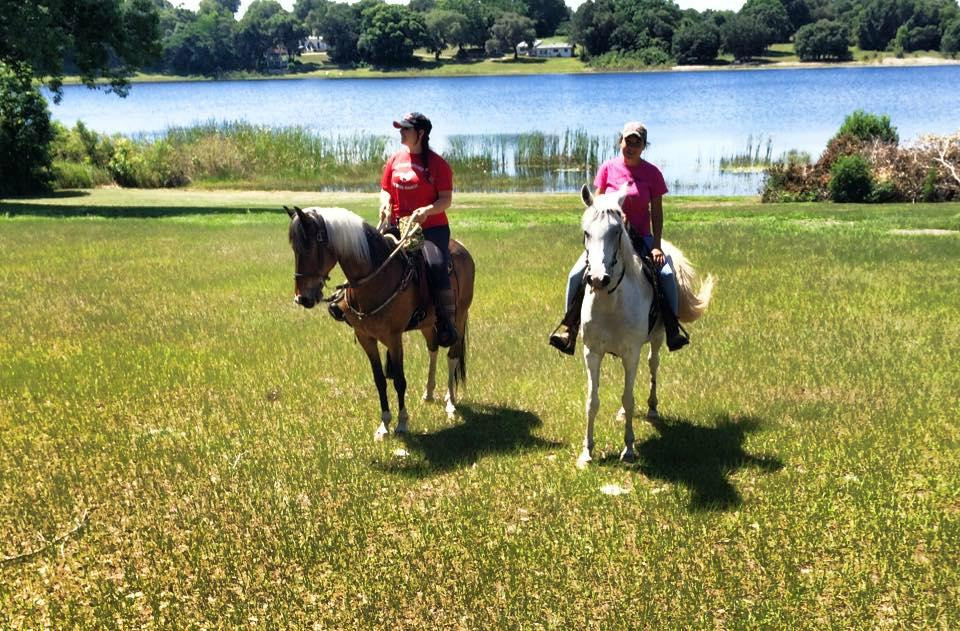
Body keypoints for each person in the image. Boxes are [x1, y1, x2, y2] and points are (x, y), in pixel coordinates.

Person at [549, 121, 689, 355]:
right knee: (575, 274)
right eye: (628, 141)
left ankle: (672, 329)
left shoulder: (652, 174)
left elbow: (657, 212)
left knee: (665, 273)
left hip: (641, 238)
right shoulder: (607, 169)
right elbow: (598, 206)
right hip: (610, 238)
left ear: (644, 146)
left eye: (637, 142)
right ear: (620, 142)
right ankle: (569, 330)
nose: (631, 146)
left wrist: (656, 246)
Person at [378, 112, 459, 347]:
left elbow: (445, 200)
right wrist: (384, 204)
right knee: (369, 251)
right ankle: (350, 304)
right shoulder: (394, 160)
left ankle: (445, 322)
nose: (401, 132)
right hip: (397, 225)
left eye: (406, 129)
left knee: (435, 263)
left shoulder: (437, 165)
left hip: (431, 228)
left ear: (420, 134)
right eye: (400, 128)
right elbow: (385, 189)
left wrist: (426, 211)